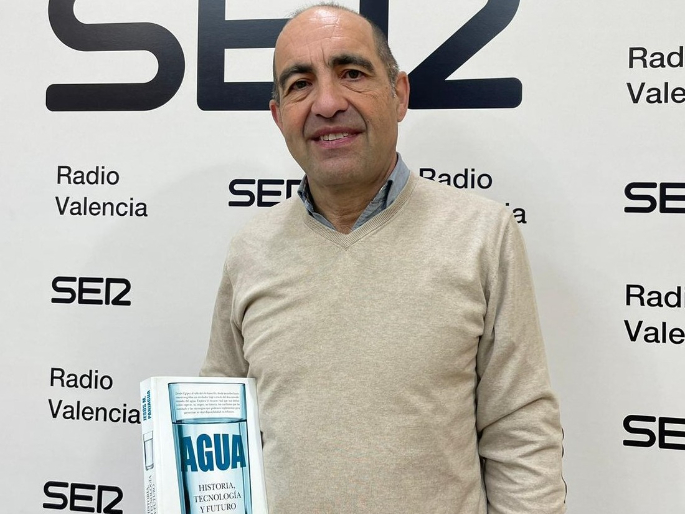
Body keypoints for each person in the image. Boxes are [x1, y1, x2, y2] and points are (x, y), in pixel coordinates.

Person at [201, 4, 566, 513]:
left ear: (399, 94)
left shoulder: (482, 233)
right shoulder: (251, 248)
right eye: (300, 84)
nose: (328, 103)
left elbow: (520, 429)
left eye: (352, 73)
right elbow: (217, 425)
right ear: (279, 116)